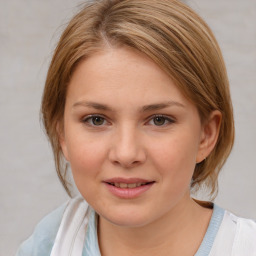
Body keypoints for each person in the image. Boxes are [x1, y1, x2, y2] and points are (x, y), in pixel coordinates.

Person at [16, 0, 256, 255]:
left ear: (206, 135)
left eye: (159, 120)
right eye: (96, 120)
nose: (126, 154)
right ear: (62, 133)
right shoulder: (49, 244)